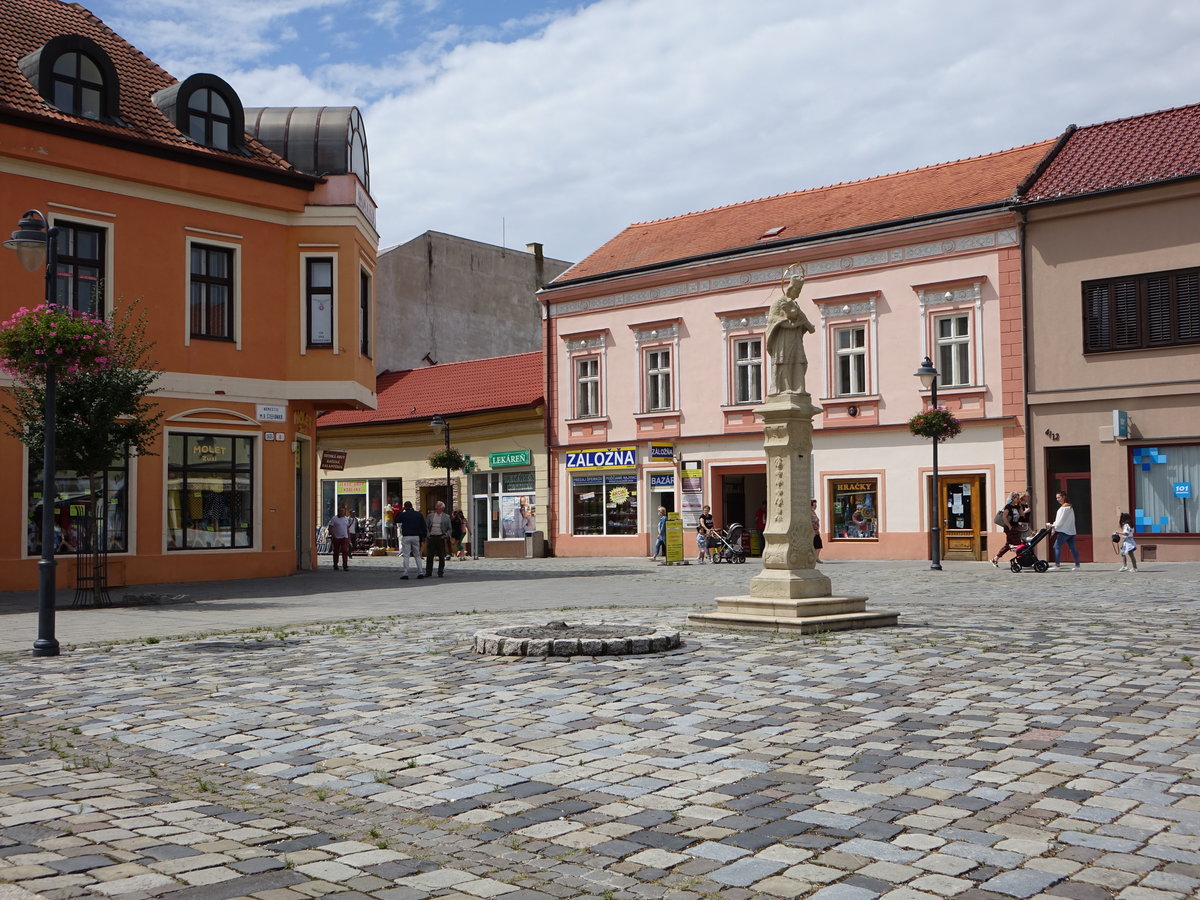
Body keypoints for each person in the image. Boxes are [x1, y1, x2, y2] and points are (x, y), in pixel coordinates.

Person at [765, 266, 817, 394]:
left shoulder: (795, 304)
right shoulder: (778, 302)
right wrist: (789, 322)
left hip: (795, 339)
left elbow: (804, 323)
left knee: (800, 361)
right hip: (783, 339)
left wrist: (801, 323)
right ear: (790, 288)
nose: (798, 293)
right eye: (797, 290)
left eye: (800, 290)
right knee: (784, 361)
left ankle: (799, 388)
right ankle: (785, 388)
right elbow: (772, 319)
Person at [1048, 491, 1081, 570]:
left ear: (1064, 497)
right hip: (1070, 531)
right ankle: (1077, 565)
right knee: (1072, 548)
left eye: (1059, 497)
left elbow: (1061, 520)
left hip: (1065, 531)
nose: (1057, 499)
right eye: (1056, 498)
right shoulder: (1069, 507)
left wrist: (1053, 525)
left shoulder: (1065, 507)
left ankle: (1057, 565)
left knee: (1056, 546)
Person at [991, 491, 1024, 566]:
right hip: (1009, 528)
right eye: (1016, 498)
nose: (1018, 499)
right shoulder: (1008, 507)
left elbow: (1022, 514)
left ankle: (996, 558)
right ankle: (1018, 560)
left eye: (1018, 498)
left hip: (1015, 527)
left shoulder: (1016, 507)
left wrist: (1020, 506)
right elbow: (1004, 517)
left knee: (1008, 545)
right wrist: (1009, 526)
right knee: (1018, 544)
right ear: (1013, 498)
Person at [397, 500, 426, 579]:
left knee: (406, 556)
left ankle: (405, 573)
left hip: (406, 536)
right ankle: (420, 572)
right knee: (417, 555)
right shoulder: (418, 514)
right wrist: (423, 536)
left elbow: (396, 519)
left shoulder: (404, 514)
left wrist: (400, 511)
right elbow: (423, 526)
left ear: (405, 507)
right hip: (416, 536)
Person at [426, 500, 452, 578]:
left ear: (441, 508)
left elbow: (450, 529)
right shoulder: (430, 516)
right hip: (432, 537)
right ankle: (428, 572)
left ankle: (440, 572)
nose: (435, 507)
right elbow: (426, 527)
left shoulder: (446, 517)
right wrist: (428, 535)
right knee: (430, 555)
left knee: (441, 556)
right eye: (436, 506)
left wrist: (445, 535)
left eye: (437, 506)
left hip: (440, 537)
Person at [811, 499, 822, 563]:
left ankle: (816, 558)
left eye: (816, 505)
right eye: (814, 505)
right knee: (817, 545)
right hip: (813, 532)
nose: (816, 506)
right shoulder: (810, 512)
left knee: (818, 545)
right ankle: (815, 558)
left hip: (816, 531)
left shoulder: (813, 512)